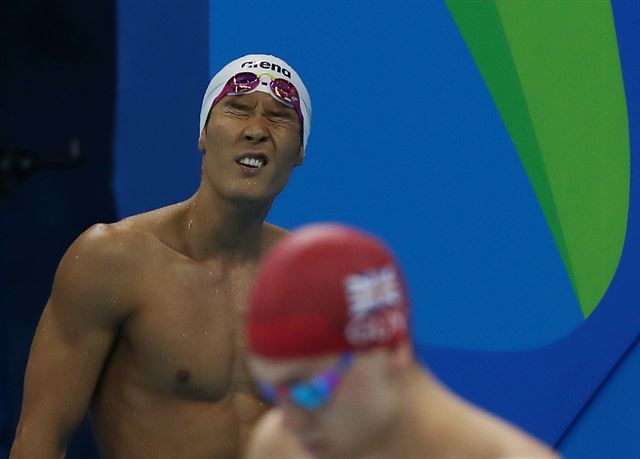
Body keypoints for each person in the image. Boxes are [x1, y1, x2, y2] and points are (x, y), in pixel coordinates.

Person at [10, 53, 312, 459]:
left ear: (299, 151)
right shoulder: (114, 260)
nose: (256, 129)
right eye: (237, 110)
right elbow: (39, 439)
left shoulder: (311, 280)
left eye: (279, 118)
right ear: (203, 134)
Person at [244, 224, 560, 459]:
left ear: (392, 348)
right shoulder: (281, 449)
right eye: (274, 391)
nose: (292, 420)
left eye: (309, 388)